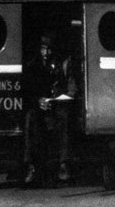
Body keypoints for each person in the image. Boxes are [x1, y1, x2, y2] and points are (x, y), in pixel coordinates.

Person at [22, 31, 77, 186]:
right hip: (41, 105)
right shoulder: (33, 65)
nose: (46, 53)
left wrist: (64, 98)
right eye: (43, 49)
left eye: (49, 49)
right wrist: (38, 101)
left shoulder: (65, 63)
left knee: (65, 116)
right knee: (30, 118)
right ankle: (30, 166)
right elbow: (27, 91)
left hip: (59, 105)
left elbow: (72, 88)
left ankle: (64, 164)